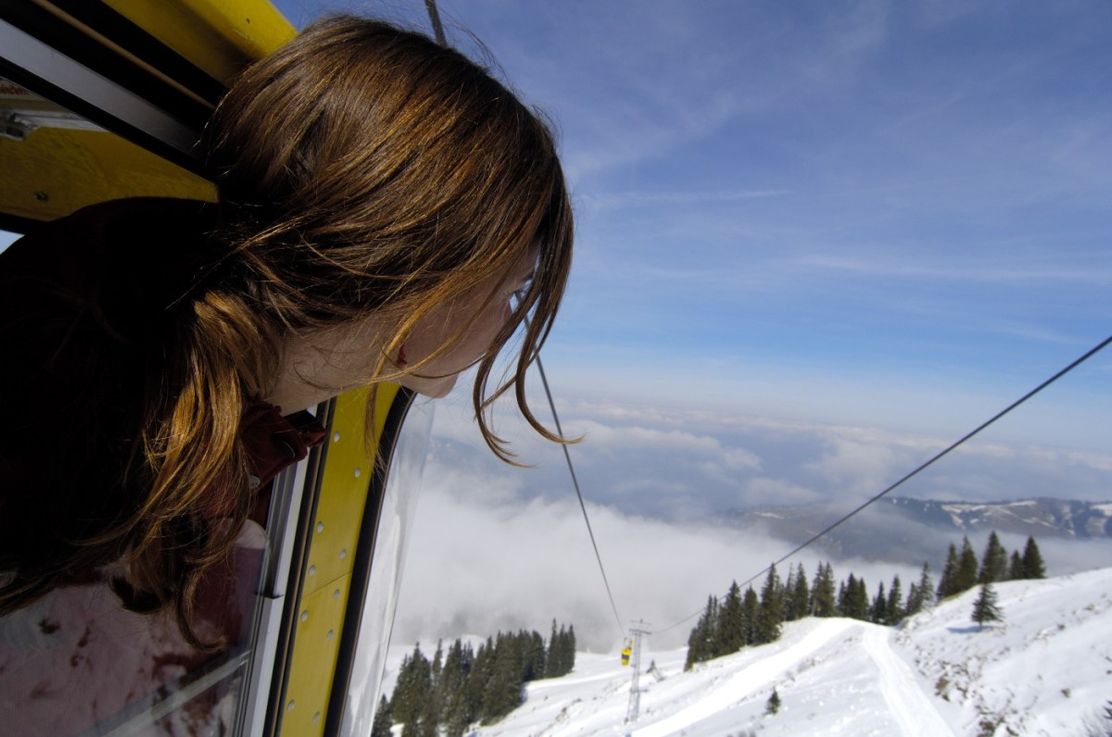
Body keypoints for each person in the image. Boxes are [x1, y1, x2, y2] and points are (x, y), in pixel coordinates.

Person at [0, 14, 573, 653]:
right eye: (512, 290)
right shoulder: (70, 420)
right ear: (420, 286)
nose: (504, 328)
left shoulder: (178, 386)